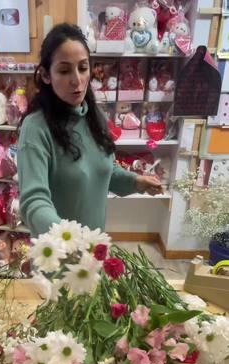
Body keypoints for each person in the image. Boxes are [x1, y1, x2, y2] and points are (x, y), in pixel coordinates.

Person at [17, 23, 163, 238]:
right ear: (46, 75)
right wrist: (67, 239)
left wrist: (135, 182)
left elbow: (105, 170)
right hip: (58, 257)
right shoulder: (36, 128)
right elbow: (33, 201)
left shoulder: (95, 117)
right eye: (65, 70)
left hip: (93, 252)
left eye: (83, 68)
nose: (76, 80)